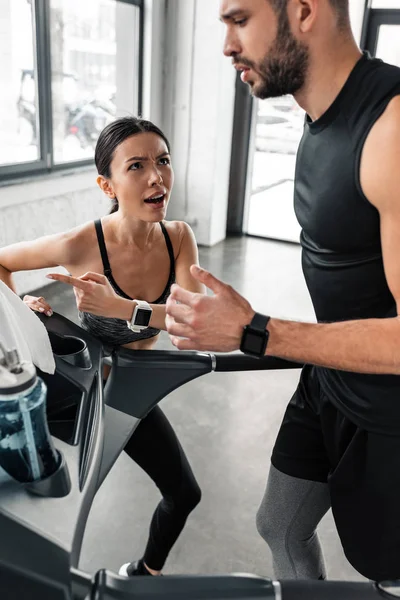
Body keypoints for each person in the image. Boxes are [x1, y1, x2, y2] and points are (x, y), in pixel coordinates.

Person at [165, 0, 400, 582]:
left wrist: (254, 331)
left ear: (302, 11)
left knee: (388, 575)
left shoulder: (392, 130)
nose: (225, 46)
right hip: (330, 376)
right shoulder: (318, 111)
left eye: (239, 20)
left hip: (389, 415)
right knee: (280, 524)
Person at [0, 116, 205, 577]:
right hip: (78, 387)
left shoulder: (179, 239)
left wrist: (124, 307)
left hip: (131, 391)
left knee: (184, 493)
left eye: (163, 161)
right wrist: (20, 314)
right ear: (107, 184)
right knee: (61, 505)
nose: (157, 177)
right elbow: (1, 263)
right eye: (136, 166)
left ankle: (144, 573)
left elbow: (193, 320)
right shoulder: (81, 244)